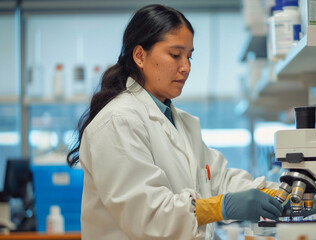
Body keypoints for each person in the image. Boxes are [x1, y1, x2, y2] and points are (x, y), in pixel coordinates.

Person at [67, 4, 283, 240]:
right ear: (140, 55)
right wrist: (221, 207)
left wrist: (280, 193)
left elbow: (218, 179)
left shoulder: (178, 122)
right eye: (175, 55)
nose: (186, 67)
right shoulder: (117, 122)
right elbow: (148, 215)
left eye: (189, 56)